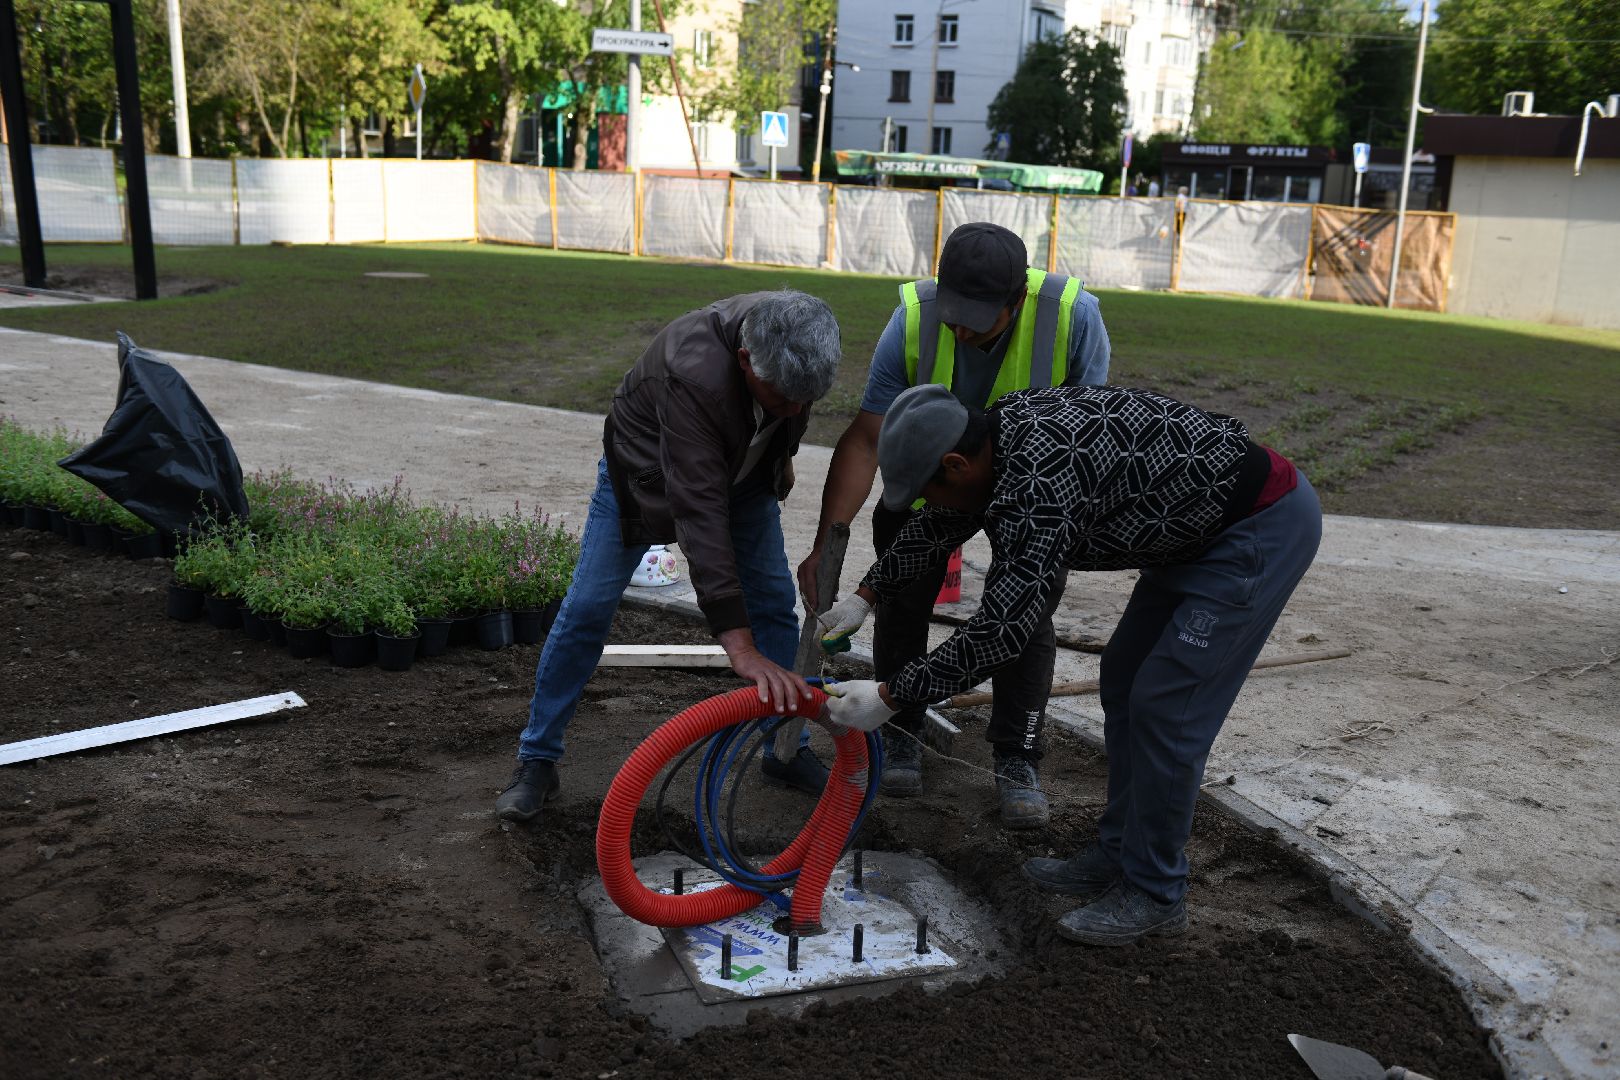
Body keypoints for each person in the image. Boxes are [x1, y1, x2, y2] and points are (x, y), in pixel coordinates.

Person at [821, 383, 1321, 945]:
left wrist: (892, 696)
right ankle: (1118, 855)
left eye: (932, 488)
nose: (932, 503)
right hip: (1190, 533)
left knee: (1166, 705)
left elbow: (1001, 633)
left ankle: (1156, 891)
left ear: (956, 462)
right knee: (1126, 678)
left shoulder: (1037, 485)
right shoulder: (998, 433)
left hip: (1252, 530)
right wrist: (866, 595)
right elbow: (943, 521)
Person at [801, 222, 1110, 829]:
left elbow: (1086, 439)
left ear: (1017, 300)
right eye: (953, 316)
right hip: (930, 477)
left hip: (1033, 486)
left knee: (1023, 613)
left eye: (977, 320)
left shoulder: (1074, 317)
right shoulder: (913, 317)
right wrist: (829, 549)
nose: (960, 332)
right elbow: (867, 438)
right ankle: (901, 729)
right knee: (901, 598)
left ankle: (1017, 756)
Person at [495, 290, 843, 822]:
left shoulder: (792, 333)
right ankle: (537, 759)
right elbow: (700, 516)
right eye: (784, 398)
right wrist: (739, 648)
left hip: (741, 475)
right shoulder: (694, 374)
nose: (797, 410)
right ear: (746, 361)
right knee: (588, 607)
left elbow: (786, 406)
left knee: (774, 601)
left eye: (805, 399)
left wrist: (782, 454)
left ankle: (782, 750)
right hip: (643, 477)